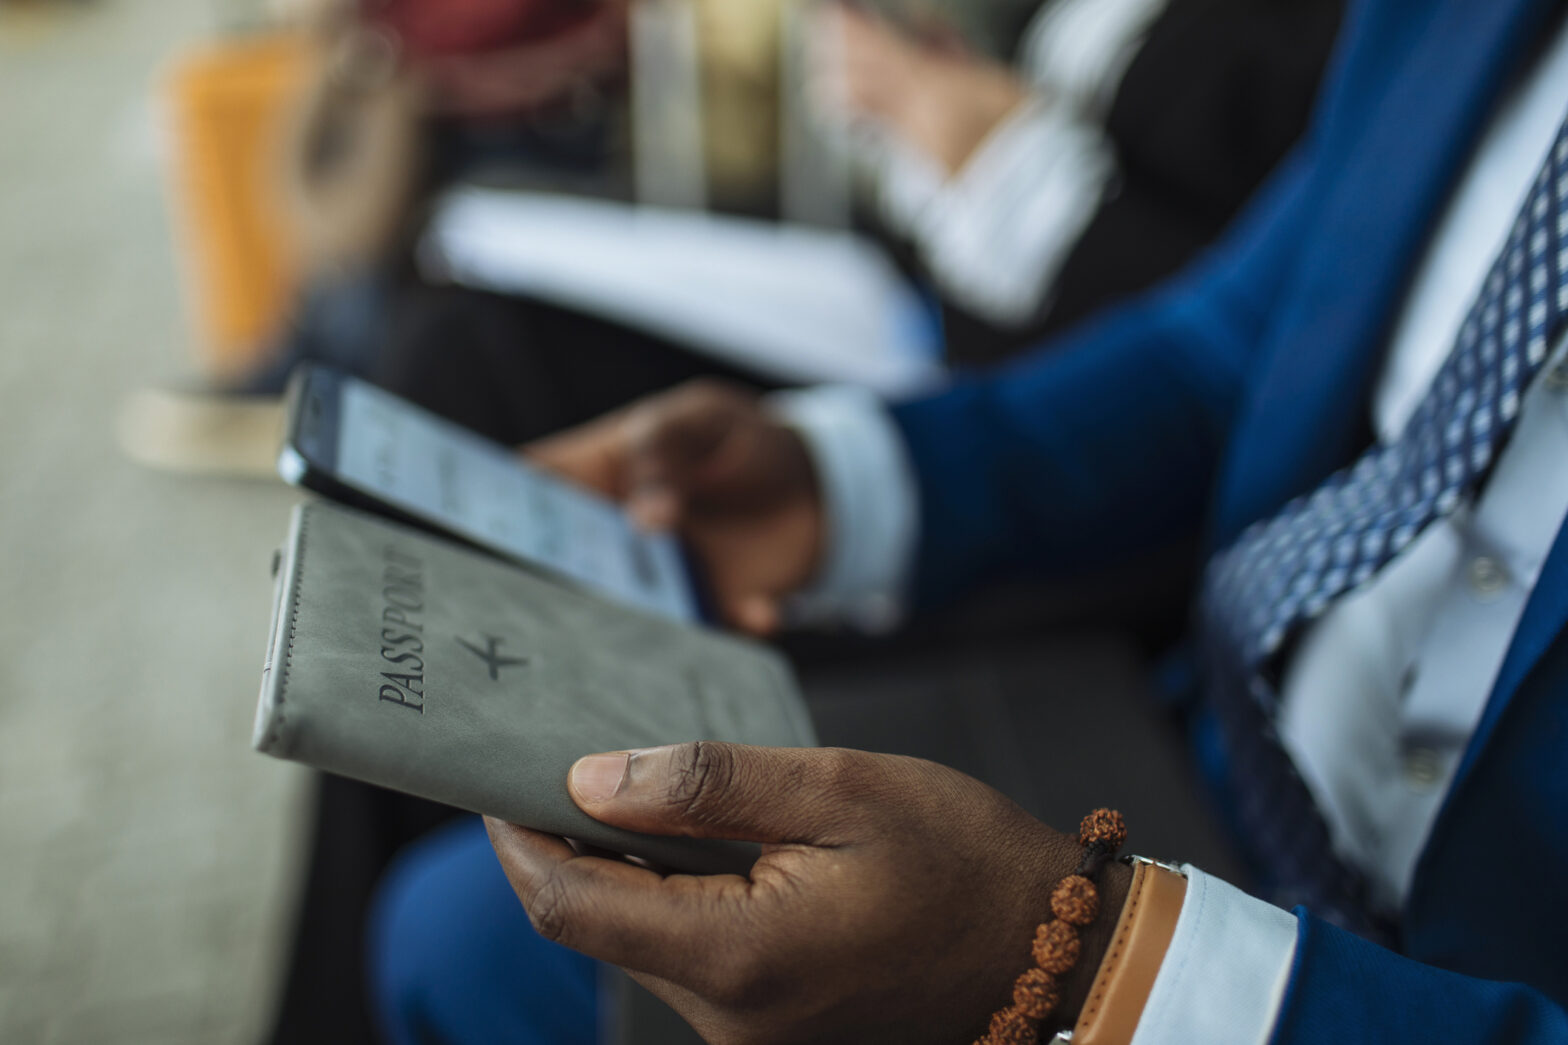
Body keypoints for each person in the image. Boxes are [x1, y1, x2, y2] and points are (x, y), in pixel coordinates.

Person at [373, 0, 1568, 1040]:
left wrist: (1092, 972)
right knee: (453, 925)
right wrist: (846, 482)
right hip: (1213, 747)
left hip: (1412, 983)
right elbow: (1231, 344)